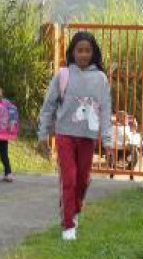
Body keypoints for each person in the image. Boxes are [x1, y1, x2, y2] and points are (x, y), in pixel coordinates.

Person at [38, 31, 113, 241]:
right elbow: (48, 106)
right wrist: (43, 133)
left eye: (87, 51)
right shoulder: (63, 75)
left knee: (83, 180)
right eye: (79, 50)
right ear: (72, 52)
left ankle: (76, 209)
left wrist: (107, 139)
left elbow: (105, 110)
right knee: (69, 179)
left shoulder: (100, 78)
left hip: (87, 138)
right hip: (64, 136)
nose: (83, 55)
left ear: (93, 53)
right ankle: (68, 226)